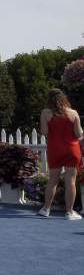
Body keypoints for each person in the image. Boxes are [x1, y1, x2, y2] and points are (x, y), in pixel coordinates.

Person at [37, 89, 84, 220]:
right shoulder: (73, 113)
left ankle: (46, 209)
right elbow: (79, 134)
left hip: (55, 149)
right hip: (71, 149)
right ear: (64, 98)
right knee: (71, 181)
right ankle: (69, 212)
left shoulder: (45, 112)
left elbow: (44, 132)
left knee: (53, 180)